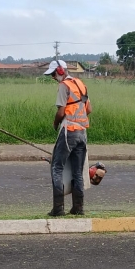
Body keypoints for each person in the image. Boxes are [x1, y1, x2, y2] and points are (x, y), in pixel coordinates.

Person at [43, 60, 92, 216]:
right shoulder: (80, 84)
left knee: (56, 168)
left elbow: (61, 111)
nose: (52, 77)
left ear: (60, 71)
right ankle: (78, 208)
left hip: (68, 130)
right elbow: (88, 109)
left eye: (53, 74)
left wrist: (55, 124)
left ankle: (58, 208)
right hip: (82, 132)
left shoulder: (64, 86)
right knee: (78, 171)